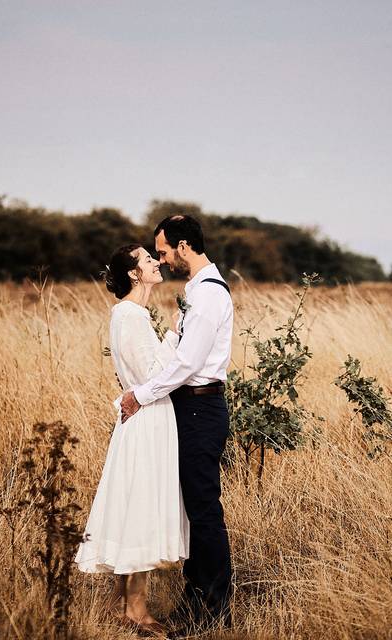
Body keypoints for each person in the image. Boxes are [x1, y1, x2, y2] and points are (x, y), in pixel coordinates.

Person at [120, 215, 234, 636]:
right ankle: (195, 601)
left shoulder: (208, 296)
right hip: (189, 409)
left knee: (204, 511)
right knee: (192, 510)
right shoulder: (195, 292)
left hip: (201, 410)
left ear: (184, 246)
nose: (163, 260)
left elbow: (188, 365)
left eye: (165, 251)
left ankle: (214, 610)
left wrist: (141, 394)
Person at [74, 243, 189, 637]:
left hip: (144, 418)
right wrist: (175, 335)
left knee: (133, 504)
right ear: (134, 274)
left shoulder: (130, 314)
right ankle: (137, 610)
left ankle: (119, 605)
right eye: (147, 259)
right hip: (148, 419)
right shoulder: (130, 315)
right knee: (140, 507)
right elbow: (153, 375)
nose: (156, 262)